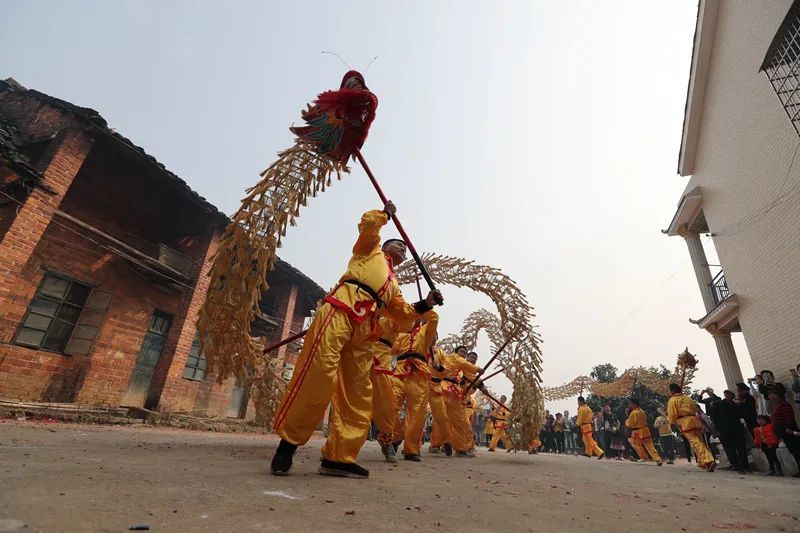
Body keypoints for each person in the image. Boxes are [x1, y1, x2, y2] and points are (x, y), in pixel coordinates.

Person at [270, 203, 443, 478]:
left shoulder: (393, 285)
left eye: (405, 249)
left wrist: (424, 304)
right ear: (385, 245)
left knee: (359, 392)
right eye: (398, 245)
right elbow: (368, 224)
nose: (402, 250)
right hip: (341, 310)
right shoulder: (369, 250)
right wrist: (384, 214)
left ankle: (339, 456)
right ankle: (287, 445)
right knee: (320, 373)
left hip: (365, 332)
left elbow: (400, 313)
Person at [392, 314, 440, 462]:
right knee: (390, 406)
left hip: (419, 375)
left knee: (417, 413)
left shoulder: (425, 333)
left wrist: (427, 314)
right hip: (399, 372)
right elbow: (390, 348)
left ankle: (411, 449)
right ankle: (394, 436)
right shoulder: (401, 335)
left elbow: (434, 320)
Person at [442, 346, 484, 457]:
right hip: (446, 389)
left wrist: (481, 386)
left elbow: (473, 378)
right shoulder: (455, 358)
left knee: (455, 421)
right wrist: (478, 369)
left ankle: (456, 444)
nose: (463, 354)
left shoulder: (461, 367)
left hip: (454, 393)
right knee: (457, 420)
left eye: (465, 352)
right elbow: (467, 366)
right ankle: (457, 447)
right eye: (462, 351)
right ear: (456, 352)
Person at [370, 316, 402, 462]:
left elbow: (408, 320)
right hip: (357, 350)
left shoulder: (395, 316)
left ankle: (386, 441)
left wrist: (422, 308)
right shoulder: (367, 304)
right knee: (349, 399)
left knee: (386, 404)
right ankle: (336, 447)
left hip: (381, 357)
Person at [667, 383, 716, 472]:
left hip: (685, 422)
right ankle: (703, 462)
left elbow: (672, 414)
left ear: (672, 391)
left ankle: (708, 460)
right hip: (694, 420)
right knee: (701, 442)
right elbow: (695, 409)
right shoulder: (687, 398)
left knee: (695, 443)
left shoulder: (672, 400)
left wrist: (672, 423)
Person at [711, 390, 748, 473]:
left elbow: (741, 414)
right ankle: (736, 465)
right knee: (730, 449)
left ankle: (744, 465)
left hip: (737, 430)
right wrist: (715, 430)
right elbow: (713, 418)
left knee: (741, 448)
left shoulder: (736, 405)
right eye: (727, 394)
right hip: (724, 431)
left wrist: (740, 404)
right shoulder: (718, 404)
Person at [768, 386, 800, 477]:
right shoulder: (776, 406)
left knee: (797, 451)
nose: (771, 397)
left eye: (773, 395)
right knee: (794, 451)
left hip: (789, 431)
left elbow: (789, 417)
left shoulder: (784, 405)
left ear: (778, 396)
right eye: (770, 396)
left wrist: (788, 428)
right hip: (783, 432)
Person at [427, 345, 453, 456]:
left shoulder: (441, 353)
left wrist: (439, 367)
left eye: (433, 335)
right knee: (416, 414)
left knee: (442, 416)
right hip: (420, 384)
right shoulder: (419, 346)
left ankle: (447, 441)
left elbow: (448, 368)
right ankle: (411, 447)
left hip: (436, 386)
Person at [625, 398, 662, 465]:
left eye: (631, 404)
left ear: (635, 404)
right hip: (645, 430)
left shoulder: (634, 413)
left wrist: (627, 420)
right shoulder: (642, 411)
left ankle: (644, 457)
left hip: (637, 432)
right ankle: (658, 459)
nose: (630, 405)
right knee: (650, 446)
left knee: (635, 444)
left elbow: (630, 424)